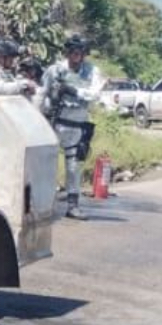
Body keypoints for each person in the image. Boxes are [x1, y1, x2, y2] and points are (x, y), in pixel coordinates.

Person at [44, 36, 98, 219]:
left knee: (74, 167)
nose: (76, 56)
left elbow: (94, 94)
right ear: (67, 53)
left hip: (77, 125)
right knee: (46, 164)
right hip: (56, 122)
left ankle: (72, 205)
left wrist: (73, 90)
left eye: (80, 52)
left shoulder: (91, 71)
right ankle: (43, 203)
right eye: (73, 52)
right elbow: (43, 93)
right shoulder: (55, 70)